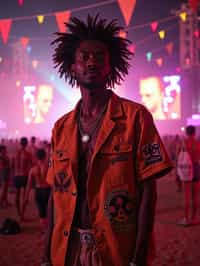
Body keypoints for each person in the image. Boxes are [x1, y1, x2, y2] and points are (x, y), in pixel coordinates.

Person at [42, 15, 173, 266]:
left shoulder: (136, 118)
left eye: (100, 56)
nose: (92, 62)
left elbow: (148, 192)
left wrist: (139, 256)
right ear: (72, 66)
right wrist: (46, 253)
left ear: (111, 66)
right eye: (85, 57)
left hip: (115, 248)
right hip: (66, 247)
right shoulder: (61, 127)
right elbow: (55, 193)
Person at [22, 148, 51, 230]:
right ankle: (47, 233)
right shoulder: (48, 168)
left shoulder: (33, 170)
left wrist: (26, 196)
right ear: (45, 156)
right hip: (47, 190)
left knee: (42, 214)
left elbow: (28, 185)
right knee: (49, 213)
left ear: (36, 157)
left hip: (38, 191)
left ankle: (44, 232)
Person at [177, 125, 200, 226]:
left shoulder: (183, 143)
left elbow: (178, 157)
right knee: (195, 196)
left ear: (186, 132)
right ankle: (194, 218)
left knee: (186, 196)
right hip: (196, 168)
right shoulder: (198, 143)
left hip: (187, 169)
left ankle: (186, 219)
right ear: (194, 133)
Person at [13, 137, 32, 218]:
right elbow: (32, 165)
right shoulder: (28, 154)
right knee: (24, 196)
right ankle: (22, 215)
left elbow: (12, 165)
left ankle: (18, 213)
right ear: (26, 144)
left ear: (20, 143)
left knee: (17, 196)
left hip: (17, 176)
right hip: (24, 176)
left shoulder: (16, 153)